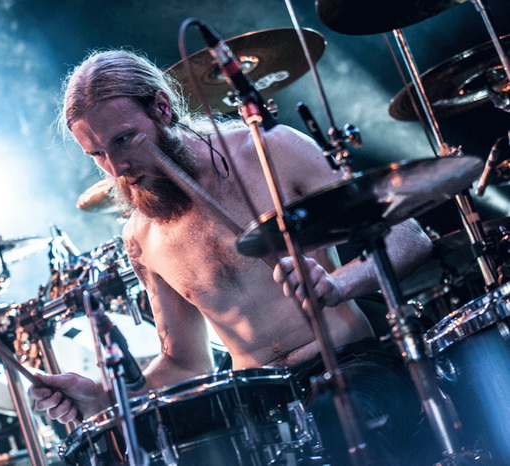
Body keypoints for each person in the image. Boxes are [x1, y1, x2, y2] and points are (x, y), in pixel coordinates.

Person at [30, 49, 434, 464]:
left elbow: (410, 239)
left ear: (162, 108)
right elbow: (186, 363)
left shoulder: (270, 151)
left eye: (123, 139)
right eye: (97, 154)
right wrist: (106, 400)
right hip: (260, 406)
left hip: (352, 366)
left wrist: (337, 284)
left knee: (335, 417)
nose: (116, 168)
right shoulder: (140, 236)